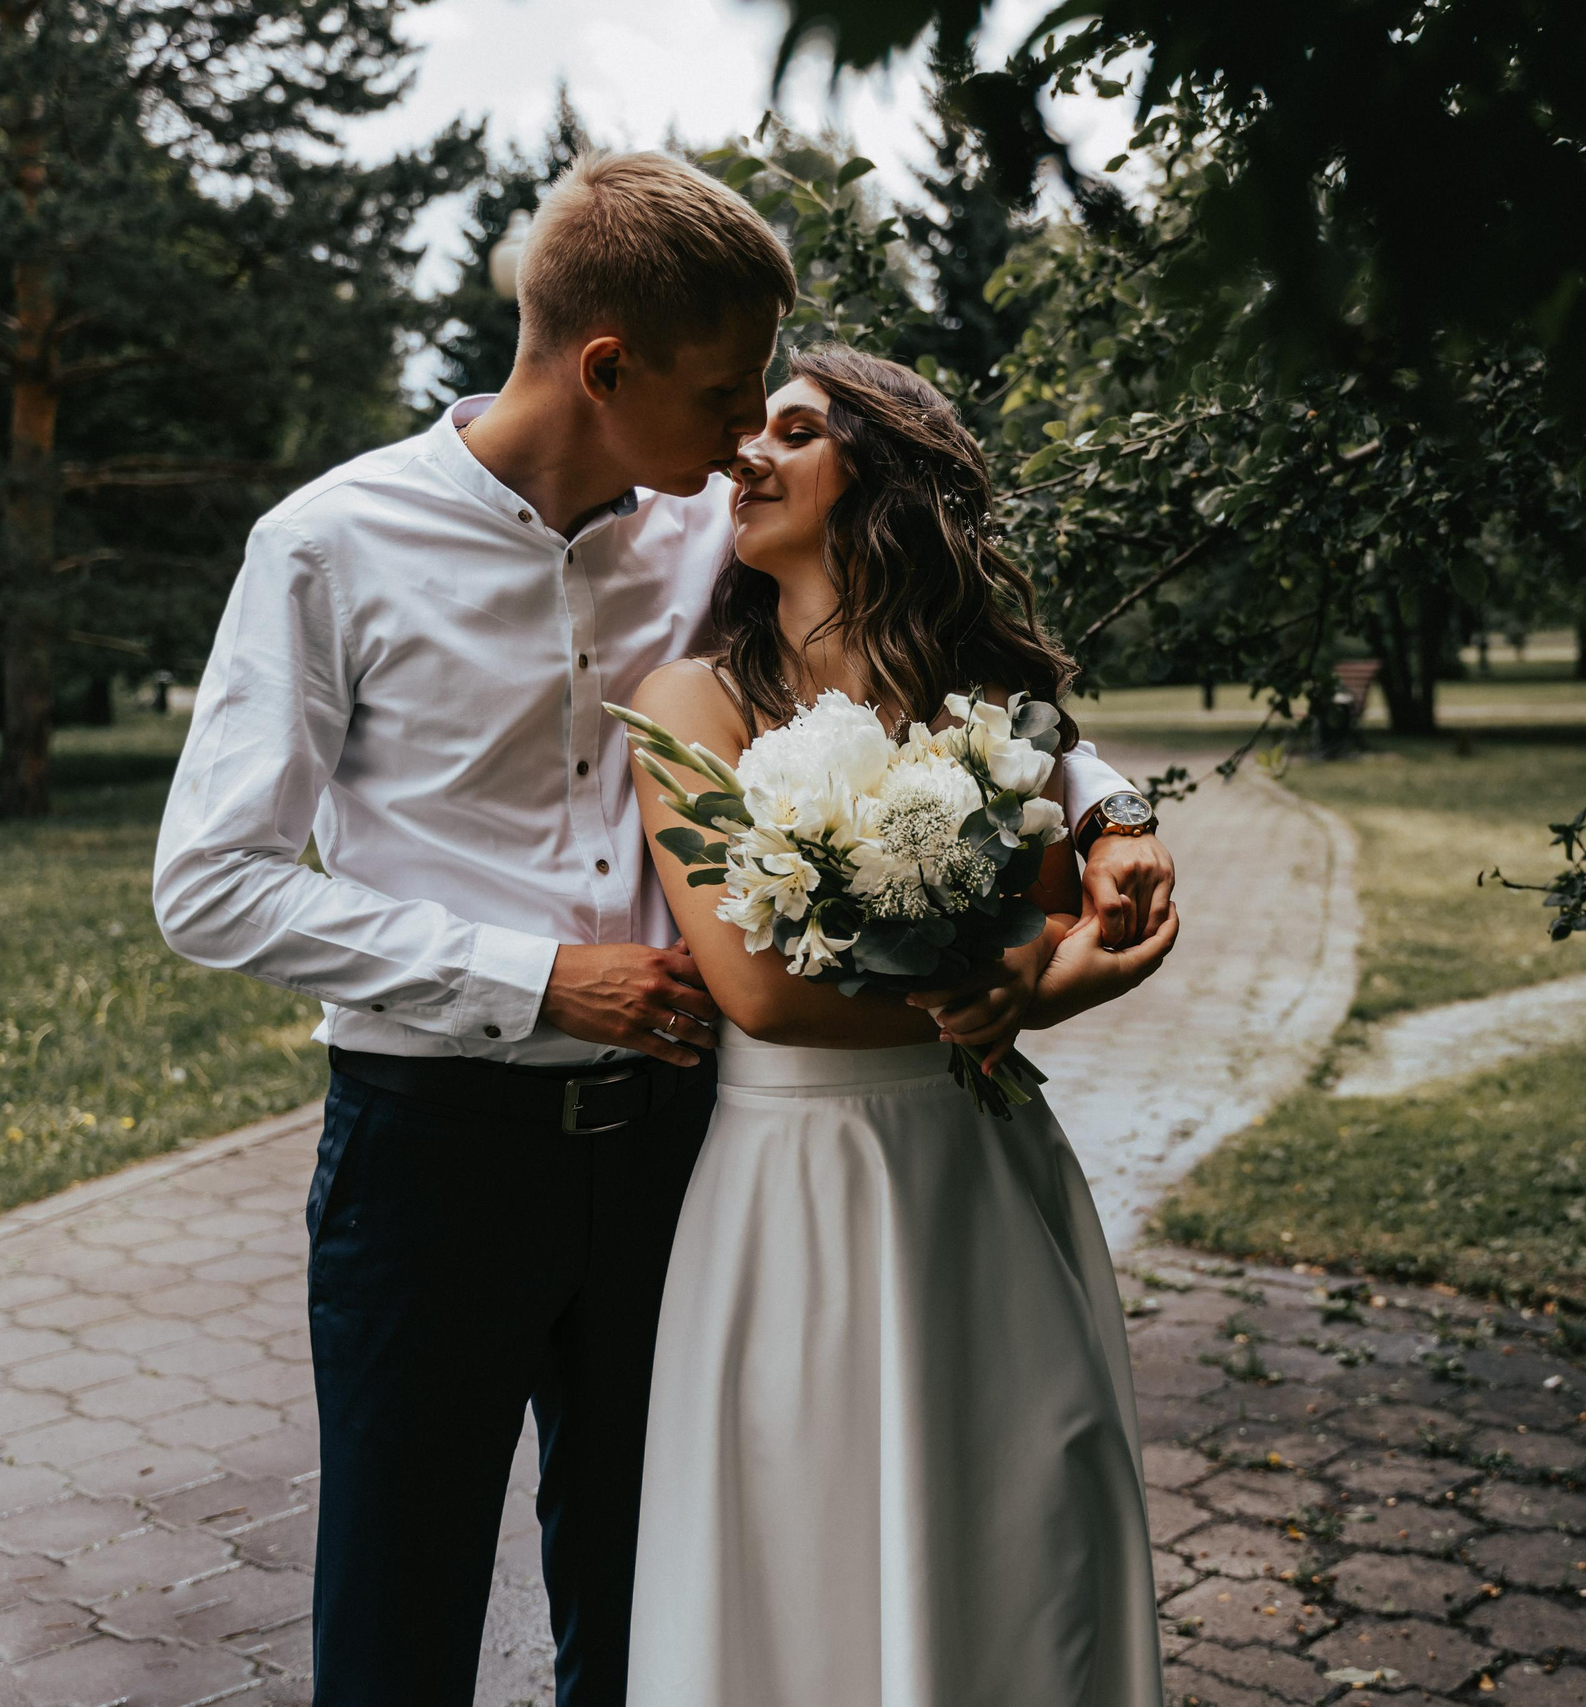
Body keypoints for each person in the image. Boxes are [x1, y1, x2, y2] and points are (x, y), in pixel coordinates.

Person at [151, 152, 1176, 1705]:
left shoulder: (708, 524)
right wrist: (538, 977)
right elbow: (211, 883)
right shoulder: (326, 547)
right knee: (397, 1610)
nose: (745, 434)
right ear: (606, 369)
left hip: (677, 1154)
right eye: (725, 393)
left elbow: (919, 642)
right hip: (431, 1156)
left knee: (654, 1607)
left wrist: (1104, 804)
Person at [620, 345, 1172, 1705]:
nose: (745, 452)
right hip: (791, 1187)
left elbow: (1092, 921)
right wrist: (1023, 988)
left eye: (793, 430)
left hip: (981, 1177)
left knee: (1019, 1520)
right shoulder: (694, 704)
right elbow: (759, 994)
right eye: (746, 430)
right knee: (802, 1549)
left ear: (883, 477)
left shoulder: (995, 713)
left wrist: (1098, 863)